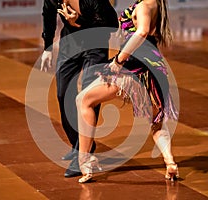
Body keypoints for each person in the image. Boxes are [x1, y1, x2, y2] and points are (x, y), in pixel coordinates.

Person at [75, 0, 179, 183]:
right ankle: (170, 162)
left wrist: (119, 60)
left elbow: (142, 31)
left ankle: (84, 161)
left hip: (135, 68)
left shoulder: (144, 6)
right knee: (156, 121)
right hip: (155, 68)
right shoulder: (155, 4)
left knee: (83, 100)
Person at [40, 0, 119, 178]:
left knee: (88, 97)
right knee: (62, 94)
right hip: (70, 43)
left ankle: (82, 154)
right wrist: (47, 47)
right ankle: (78, 143)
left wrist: (79, 21)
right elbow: (48, 14)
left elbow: (112, 25)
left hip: (95, 44)